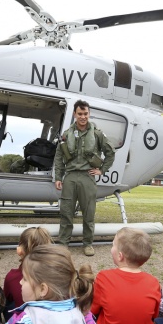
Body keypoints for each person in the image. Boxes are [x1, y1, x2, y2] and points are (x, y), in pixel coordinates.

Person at [54, 99, 116, 256]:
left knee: (89, 213)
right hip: (70, 177)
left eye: (85, 113)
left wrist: (102, 170)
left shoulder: (97, 134)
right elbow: (59, 157)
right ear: (74, 114)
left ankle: (88, 243)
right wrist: (58, 177)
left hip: (87, 177)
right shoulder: (67, 134)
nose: (83, 117)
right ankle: (63, 243)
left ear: (89, 114)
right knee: (66, 212)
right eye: (80, 114)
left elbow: (110, 152)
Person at [90, 227, 160, 324]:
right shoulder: (153, 282)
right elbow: (154, 315)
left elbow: (92, 310)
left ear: (120, 256)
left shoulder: (104, 277)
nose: (111, 249)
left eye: (113, 245)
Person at [3, 226, 53, 314]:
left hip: (24, 321)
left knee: (8, 303)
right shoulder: (59, 275)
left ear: (20, 251)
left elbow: (6, 301)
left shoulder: (12, 277)